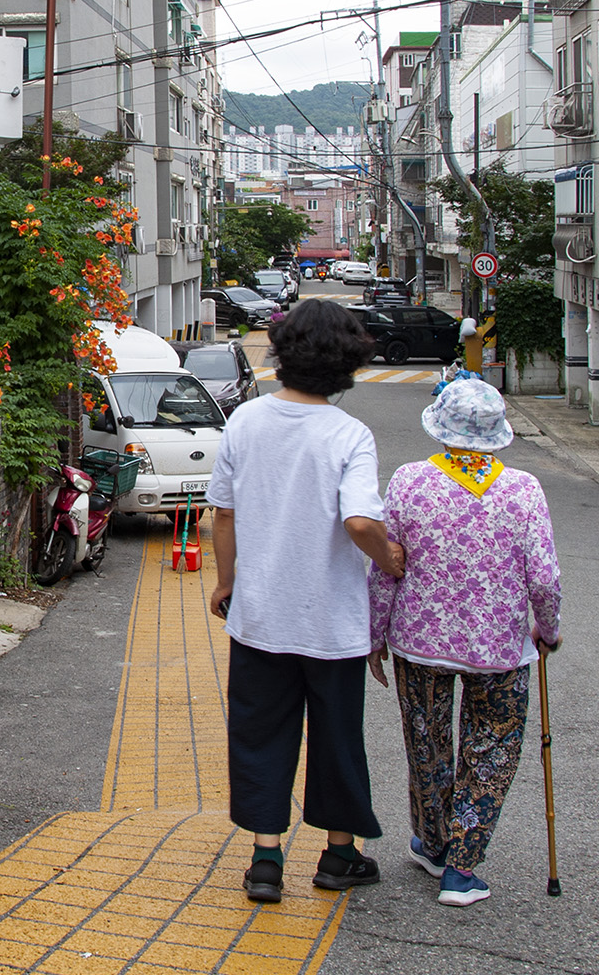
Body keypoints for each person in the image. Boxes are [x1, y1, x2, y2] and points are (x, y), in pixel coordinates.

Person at [207, 299, 406, 905]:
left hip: (260, 616)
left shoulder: (245, 421)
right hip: (332, 624)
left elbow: (224, 514)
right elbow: (360, 522)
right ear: (348, 363)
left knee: (260, 734)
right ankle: (339, 855)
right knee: (337, 737)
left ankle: (266, 861)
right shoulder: (348, 434)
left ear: (282, 352)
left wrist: (226, 582)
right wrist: (390, 559)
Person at [369, 378, 560, 908]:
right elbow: (544, 579)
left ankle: (433, 844)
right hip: (499, 648)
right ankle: (462, 866)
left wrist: (375, 634)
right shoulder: (523, 489)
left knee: (426, 743)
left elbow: (386, 567)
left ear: (440, 428)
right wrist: (548, 628)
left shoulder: (409, 481)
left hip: (419, 643)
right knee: (491, 747)